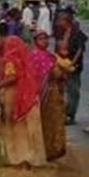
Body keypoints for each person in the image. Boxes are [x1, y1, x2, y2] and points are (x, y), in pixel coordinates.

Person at [0, 35, 46, 167]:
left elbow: (12, 77)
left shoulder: (10, 59)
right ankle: (29, 157)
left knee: (12, 127)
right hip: (25, 96)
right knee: (25, 129)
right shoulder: (23, 60)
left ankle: (17, 157)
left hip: (12, 96)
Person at [34, 31, 70, 161]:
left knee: (54, 121)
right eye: (41, 39)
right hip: (42, 94)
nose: (44, 41)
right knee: (44, 122)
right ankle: (46, 150)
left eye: (46, 39)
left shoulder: (50, 56)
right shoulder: (36, 56)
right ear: (35, 41)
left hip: (53, 94)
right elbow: (56, 74)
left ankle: (54, 149)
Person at [56, 10, 88, 125]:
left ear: (66, 21)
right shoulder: (61, 32)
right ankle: (63, 112)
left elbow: (80, 49)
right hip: (62, 64)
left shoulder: (77, 33)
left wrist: (72, 63)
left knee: (73, 90)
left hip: (74, 65)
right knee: (62, 89)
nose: (59, 22)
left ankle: (70, 114)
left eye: (61, 20)